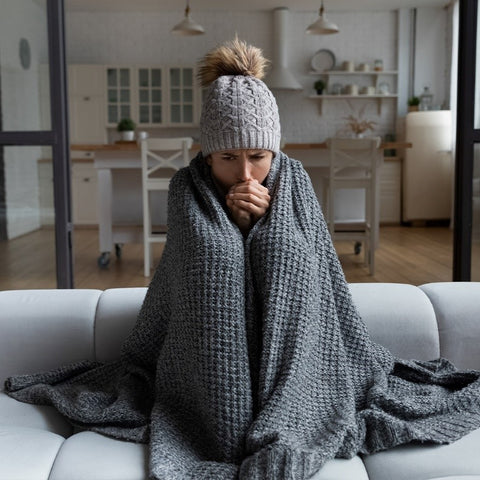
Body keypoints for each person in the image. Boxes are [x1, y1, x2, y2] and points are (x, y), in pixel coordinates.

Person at [5, 38, 480, 480]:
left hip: (299, 349)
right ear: (207, 155)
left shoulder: (296, 183)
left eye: (258, 155)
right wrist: (237, 231)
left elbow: (312, 273)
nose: (245, 173)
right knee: (218, 253)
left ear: (274, 149)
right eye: (228, 157)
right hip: (200, 362)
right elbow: (200, 268)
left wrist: (267, 229)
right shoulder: (185, 188)